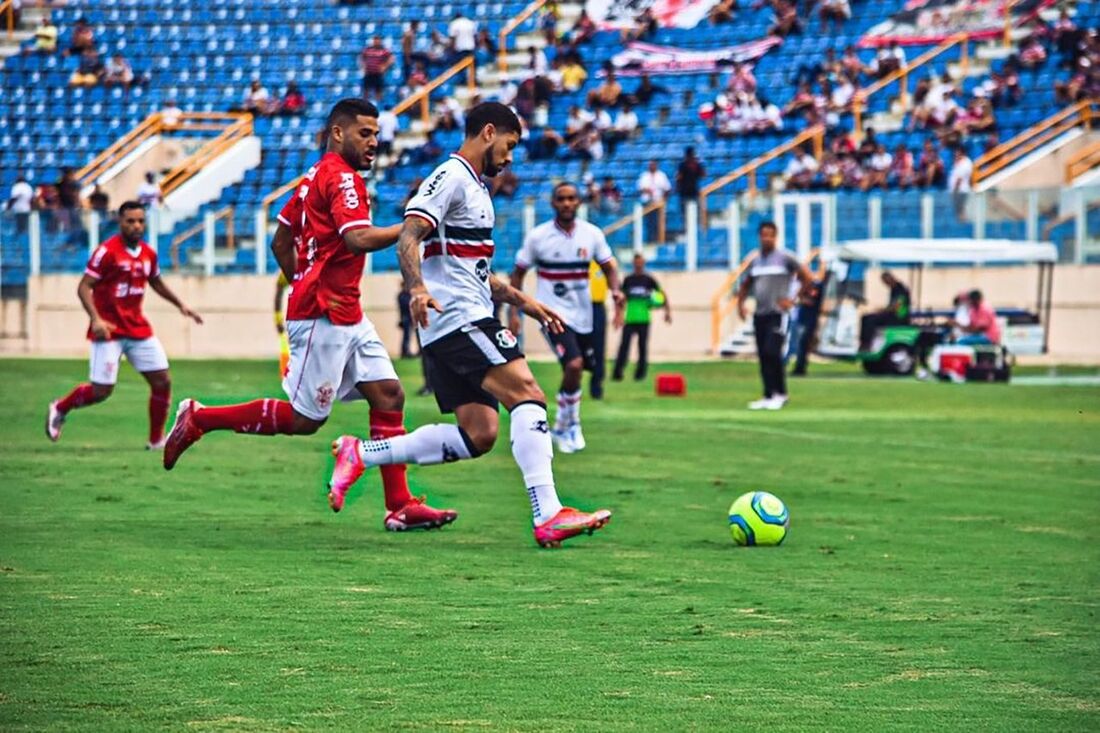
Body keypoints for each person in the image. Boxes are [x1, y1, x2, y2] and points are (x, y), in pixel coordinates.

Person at [162, 98, 458, 533]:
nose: (374, 142)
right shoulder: (342, 179)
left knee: (390, 395)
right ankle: (200, 418)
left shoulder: (313, 176)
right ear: (337, 133)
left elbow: (281, 243)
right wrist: (418, 226)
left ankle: (400, 505)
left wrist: (303, 281)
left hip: (343, 310)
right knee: (305, 421)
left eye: (377, 134)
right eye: (365, 133)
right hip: (324, 314)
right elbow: (357, 238)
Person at [328, 102, 613, 548]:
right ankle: (549, 512)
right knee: (529, 393)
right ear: (487, 133)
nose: (511, 156)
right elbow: (409, 235)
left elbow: (474, 269)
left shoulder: (477, 188)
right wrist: (417, 288)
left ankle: (360, 453)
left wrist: (526, 302)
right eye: (509, 145)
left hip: (458, 318)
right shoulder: (452, 176)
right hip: (458, 318)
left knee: (480, 433)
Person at [45, 202, 203, 448]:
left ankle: (156, 440)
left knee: (162, 380)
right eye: (130, 221)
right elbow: (84, 286)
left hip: (137, 328)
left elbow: (157, 282)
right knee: (101, 391)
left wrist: (181, 305)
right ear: (120, 222)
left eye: (140, 221)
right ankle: (60, 407)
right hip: (108, 330)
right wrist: (96, 318)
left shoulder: (149, 253)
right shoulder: (106, 252)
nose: (136, 226)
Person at [509, 182, 624, 453]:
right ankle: (569, 424)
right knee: (573, 365)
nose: (567, 203)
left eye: (572, 198)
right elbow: (517, 275)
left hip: (584, 314)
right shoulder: (538, 237)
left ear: (579, 202)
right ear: (553, 203)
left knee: (580, 369)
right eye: (561, 199)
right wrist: (514, 311)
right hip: (551, 313)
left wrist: (616, 292)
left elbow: (609, 267)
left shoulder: (591, 235)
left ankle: (563, 425)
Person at [736, 221, 813, 410]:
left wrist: (793, 299)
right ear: (759, 236)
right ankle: (768, 394)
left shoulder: (785, 258)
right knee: (763, 355)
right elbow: (746, 284)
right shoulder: (755, 259)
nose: (767, 238)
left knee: (773, 352)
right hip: (760, 313)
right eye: (764, 235)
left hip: (778, 313)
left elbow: (808, 278)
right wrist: (741, 304)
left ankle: (781, 393)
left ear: (775, 236)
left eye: (770, 235)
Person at [613, 254, 670, 382]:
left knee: (642, 347)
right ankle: (618, 373)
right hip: (630, 318)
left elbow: (662, 295)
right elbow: (621, 300)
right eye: (636, 262)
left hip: (644, 319)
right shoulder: (628, 280)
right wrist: (619, 315)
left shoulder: (648, 280)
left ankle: (640, 375)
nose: (638, 264)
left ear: (643, 263)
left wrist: (667, 311)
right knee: (624, 347)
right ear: (633, 263)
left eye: (640, 262)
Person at [858, 271, 911, 352]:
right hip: (891, 314)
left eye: (886, 281)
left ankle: (867, 344)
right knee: (865, 317)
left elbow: (896, 306)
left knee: (871, 321)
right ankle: (864, 343)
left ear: (891, 278)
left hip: (898, 318)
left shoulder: (900, 289)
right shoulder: (893, 289)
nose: (886, 284)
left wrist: (882, 310)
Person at [637, 160, 671, 242]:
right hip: (647, 202)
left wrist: (664, 199)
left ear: (656, 165)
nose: (652, 166)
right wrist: (647, 191)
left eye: (653, 164)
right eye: (650, 165)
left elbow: (667, 189)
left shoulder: (662, 176)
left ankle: (658, 239)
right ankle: (650, 239)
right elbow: (640, 189)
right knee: (649, 222)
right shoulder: (644, 176)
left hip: (658, 203)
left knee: (658, 222)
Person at [676, 147, 705, 229]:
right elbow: (679, 177)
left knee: (692, 212)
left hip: (691, 191)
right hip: (687, 192)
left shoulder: (695, 164)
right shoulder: (684, 164)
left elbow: (703, 175)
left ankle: (693, 228)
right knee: (687, 213)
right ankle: (689, 228)